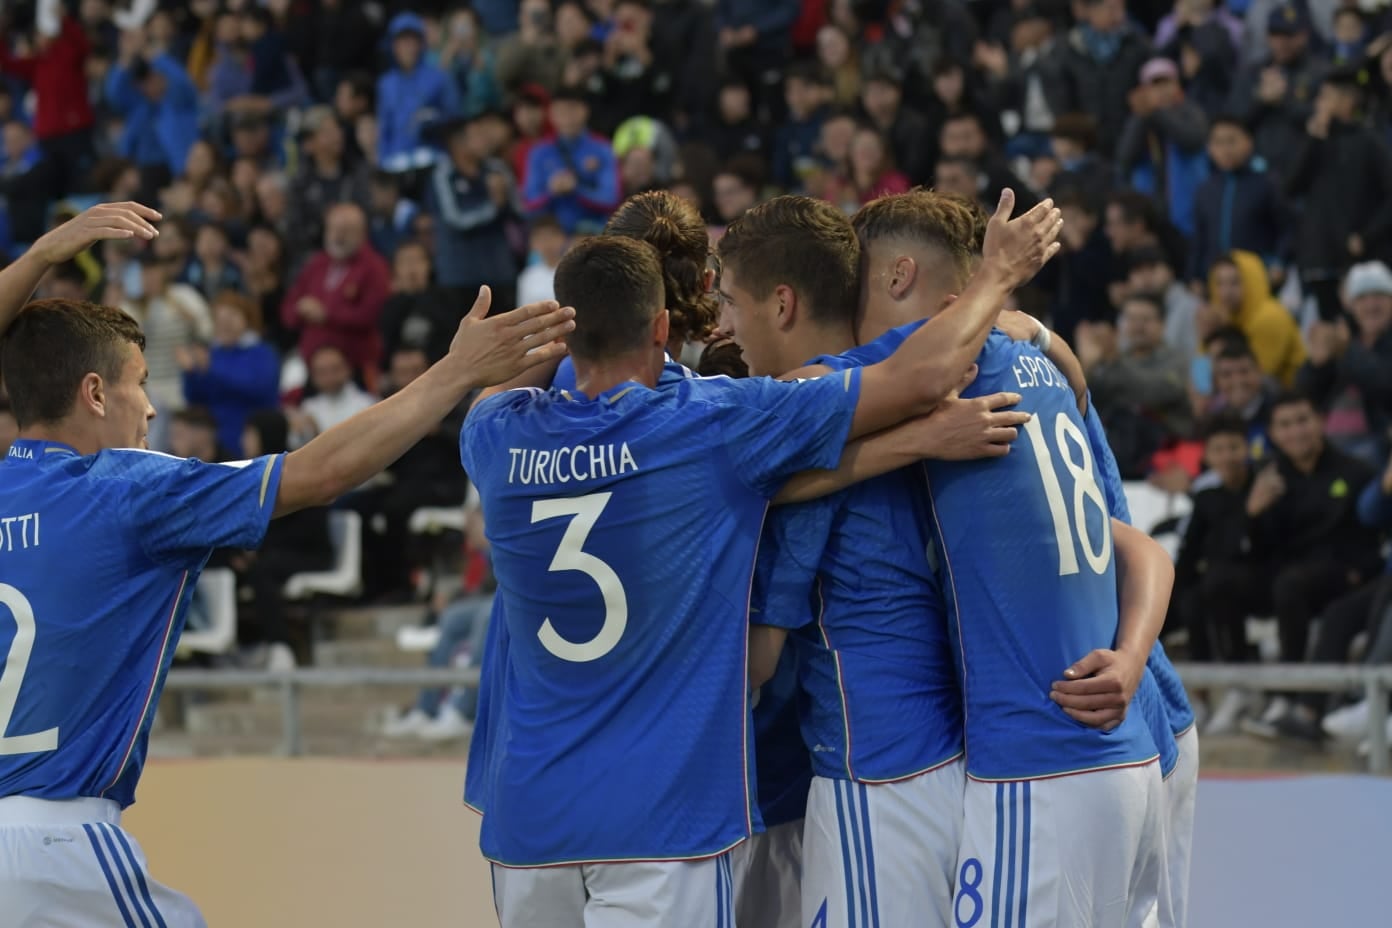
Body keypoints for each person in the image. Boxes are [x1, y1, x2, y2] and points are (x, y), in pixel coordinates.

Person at [464, 195, 1062, 926]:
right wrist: (1001, 310)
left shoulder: (498, 432)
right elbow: (911, 383)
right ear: (666, 319)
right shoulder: (719, 419)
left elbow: (486, 396)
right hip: (689, 803)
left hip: (532, 796)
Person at [0, 204, 576, 924]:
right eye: (140, 383)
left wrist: (40, 253)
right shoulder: (128, 488)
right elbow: (317, 473)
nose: (149, 409)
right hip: (59, 845)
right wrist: (455, 373)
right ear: (93, 393)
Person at [815, 189, 1185, 927]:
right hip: (1138, 736)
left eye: (855, 288)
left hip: (1043, 758)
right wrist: (1133, 657)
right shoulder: (1034, 363)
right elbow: (1139, 544)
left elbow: (769, 421)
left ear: (896, 278)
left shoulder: (928, 370)